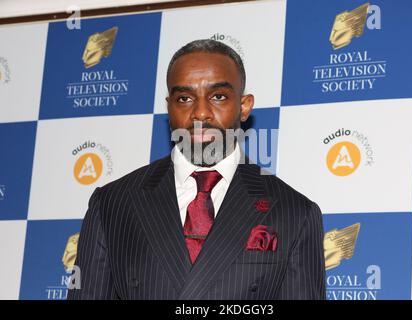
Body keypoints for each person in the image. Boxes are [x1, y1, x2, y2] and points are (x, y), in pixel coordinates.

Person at [67, 39, 325, 300]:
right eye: (185, 98)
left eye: (218, 96)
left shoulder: (294, 212)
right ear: (169, 107)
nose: (200, 113)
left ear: (244, 106)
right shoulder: (112, 203)